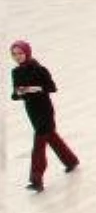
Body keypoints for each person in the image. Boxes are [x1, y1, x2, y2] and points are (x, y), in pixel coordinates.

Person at [11, 40, 79, 192]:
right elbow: (14, 95)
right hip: (32, 112)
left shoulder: (39, 70)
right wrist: (19, 92)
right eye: (14, 54)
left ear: (27, 53)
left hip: (45, 110)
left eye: (20, 53)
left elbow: (51, 87)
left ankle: (36, 179)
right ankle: (71, 160)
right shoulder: (15, 72)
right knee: (52, 137)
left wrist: (36, 88)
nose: (18, 57)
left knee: (38, 146)